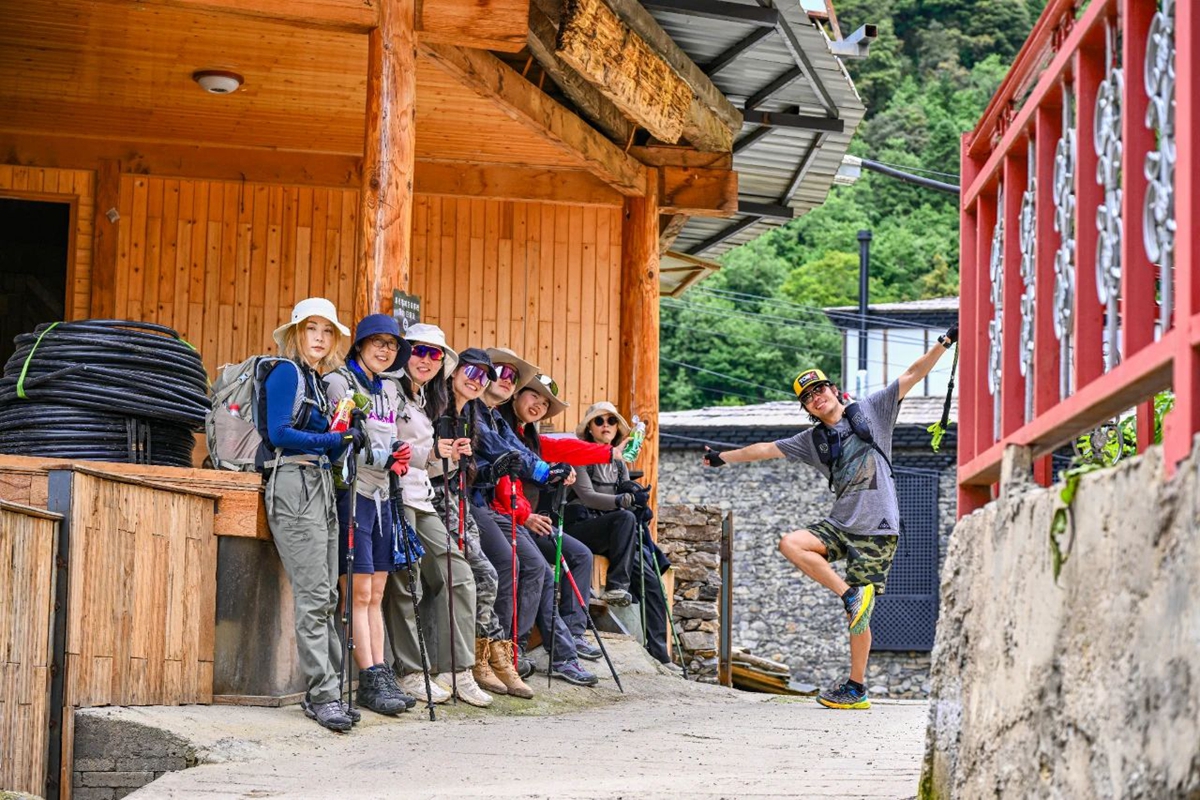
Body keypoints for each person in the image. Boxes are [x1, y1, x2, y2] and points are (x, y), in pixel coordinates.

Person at [702, 324, 959, 710]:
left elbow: (913, 373)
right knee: (792, 543)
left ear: (833, 390)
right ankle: (850, 593)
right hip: (840, 524)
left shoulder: (874, 409)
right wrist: (722, 457)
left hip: (877, 528)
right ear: (806, 408)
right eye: (808, 397)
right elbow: (763, 449)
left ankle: (856, 687)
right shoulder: (810, 442)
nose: (816, 398)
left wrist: (945, 342)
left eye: (819, 389)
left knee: (859, 618)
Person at [466, 347, 598, 686]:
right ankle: (511, 651)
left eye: (512, 377)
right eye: (499, 374)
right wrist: (542, 478)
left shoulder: (498, 418)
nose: (503, 380)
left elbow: (519, 454)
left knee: (561, 561)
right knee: (527, 567)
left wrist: (552, 470)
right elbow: (504, 456)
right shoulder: (480, 413)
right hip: (490, 508)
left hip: (501, 510)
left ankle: (536, 648)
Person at [381, 325, 491, 707]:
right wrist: (430, 454)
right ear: (405, 351)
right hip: (389, 496)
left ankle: (456, 669)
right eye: (419, 351)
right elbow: (384, 447)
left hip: (422, 498)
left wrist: (446, 457)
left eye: (435, 354)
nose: (426, 359)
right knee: (405, 582)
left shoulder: (422, 398)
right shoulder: (388, 389)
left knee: (459, 575)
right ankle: (411, 671)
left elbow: (423, 465)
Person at [263, 297, 358, 732]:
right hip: (294, 484)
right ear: (297, 334)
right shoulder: (286, 373)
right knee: (314, 595)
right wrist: (333, 442)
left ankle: (332, 692)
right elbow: (280, 432)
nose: (319, 338)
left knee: (328, 595)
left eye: (326, 331)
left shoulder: (317, 381)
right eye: (311, 329)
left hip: (318, 484)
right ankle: (321, 695)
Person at [324, 314, 416, 716]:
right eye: (376, 342)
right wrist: (381, 456)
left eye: (392, 345)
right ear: (359, 344)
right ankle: (369, 678)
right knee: (357, 593)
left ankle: (381, 673)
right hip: (352, 493)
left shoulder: (391, 390)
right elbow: (338, 439)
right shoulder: (340, 383)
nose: (384, 350)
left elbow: (392, 437)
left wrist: (400, 455)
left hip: (383, 496)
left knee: (376, 594)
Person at [431, 340, 534, 700]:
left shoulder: (471, 414)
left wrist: (492, 469)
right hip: (434, 498)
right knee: (476, 574)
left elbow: (475, 467)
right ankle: (469, 661)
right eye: (472, 372)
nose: (478, 380)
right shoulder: (436, 405)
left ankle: (487, 656)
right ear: (456, 371)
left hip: (459, 497)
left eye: (484, 376)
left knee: (487, 575)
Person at [493, 373, 619, 662]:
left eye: (545, 403)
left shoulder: (531, 437)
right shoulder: (502, 428)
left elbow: (564, 449)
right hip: (511, 519)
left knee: (581, 555)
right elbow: (501, 482)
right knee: (543, 572)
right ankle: (526, 649)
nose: (538, 404)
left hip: (529, 521)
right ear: (516, 395)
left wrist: (609, 454)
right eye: (533, 396)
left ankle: (574, 633)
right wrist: (524, 515)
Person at [571, 401, 672, 665]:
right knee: (625, 517)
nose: (606, 426)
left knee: (652, 583)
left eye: (612, 421)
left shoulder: (619, 464)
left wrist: (634, 495)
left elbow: (622, 499)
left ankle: (660, 656)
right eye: (599, 421)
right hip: (582, 528)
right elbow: (587, 496)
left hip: (616, 532)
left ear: (617, 428)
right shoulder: (579, 453)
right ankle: (617, 586)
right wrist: (622, 502)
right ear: (589, 428)